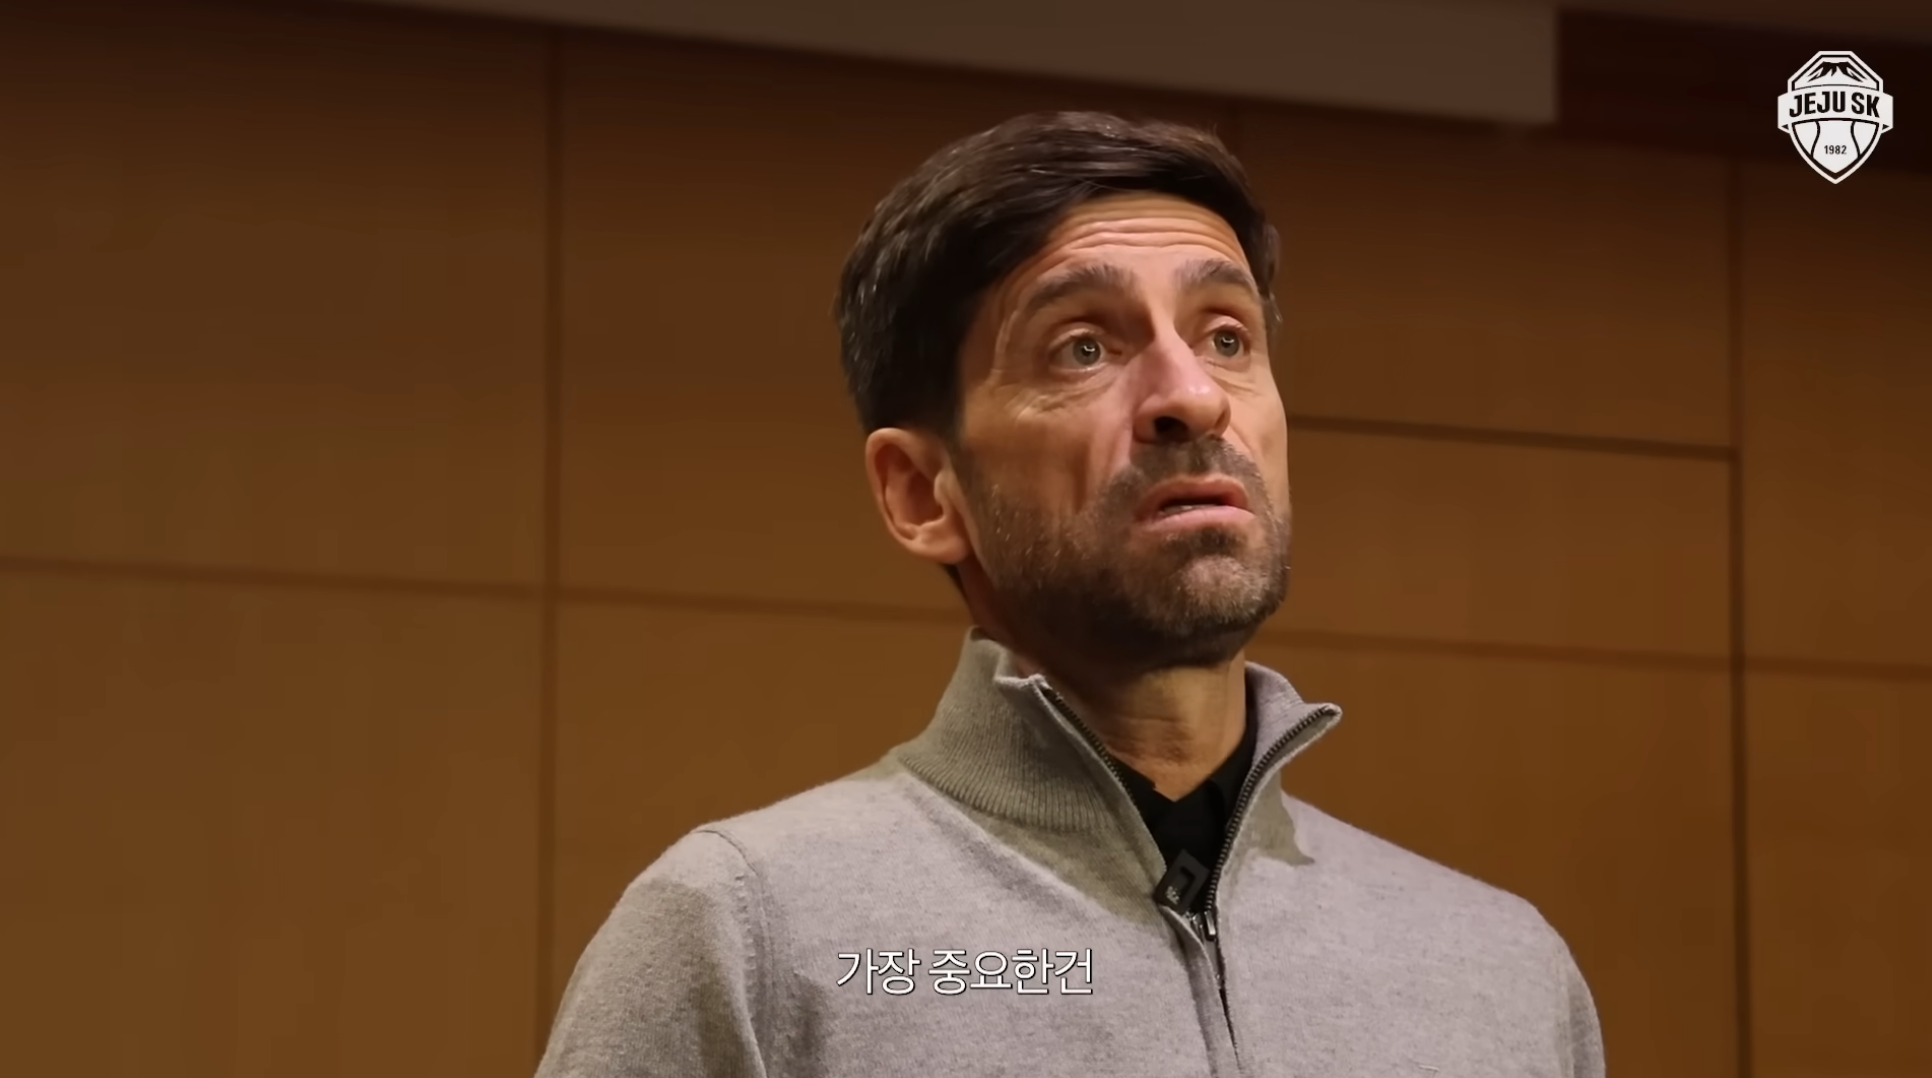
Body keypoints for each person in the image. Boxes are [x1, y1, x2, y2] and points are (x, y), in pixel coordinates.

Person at [536, 111, 1606, 1077]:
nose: (1193, 396)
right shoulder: (750, 934)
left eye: (1226, 337)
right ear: (921, 492)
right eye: (1083, 347)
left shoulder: (1504, 971)